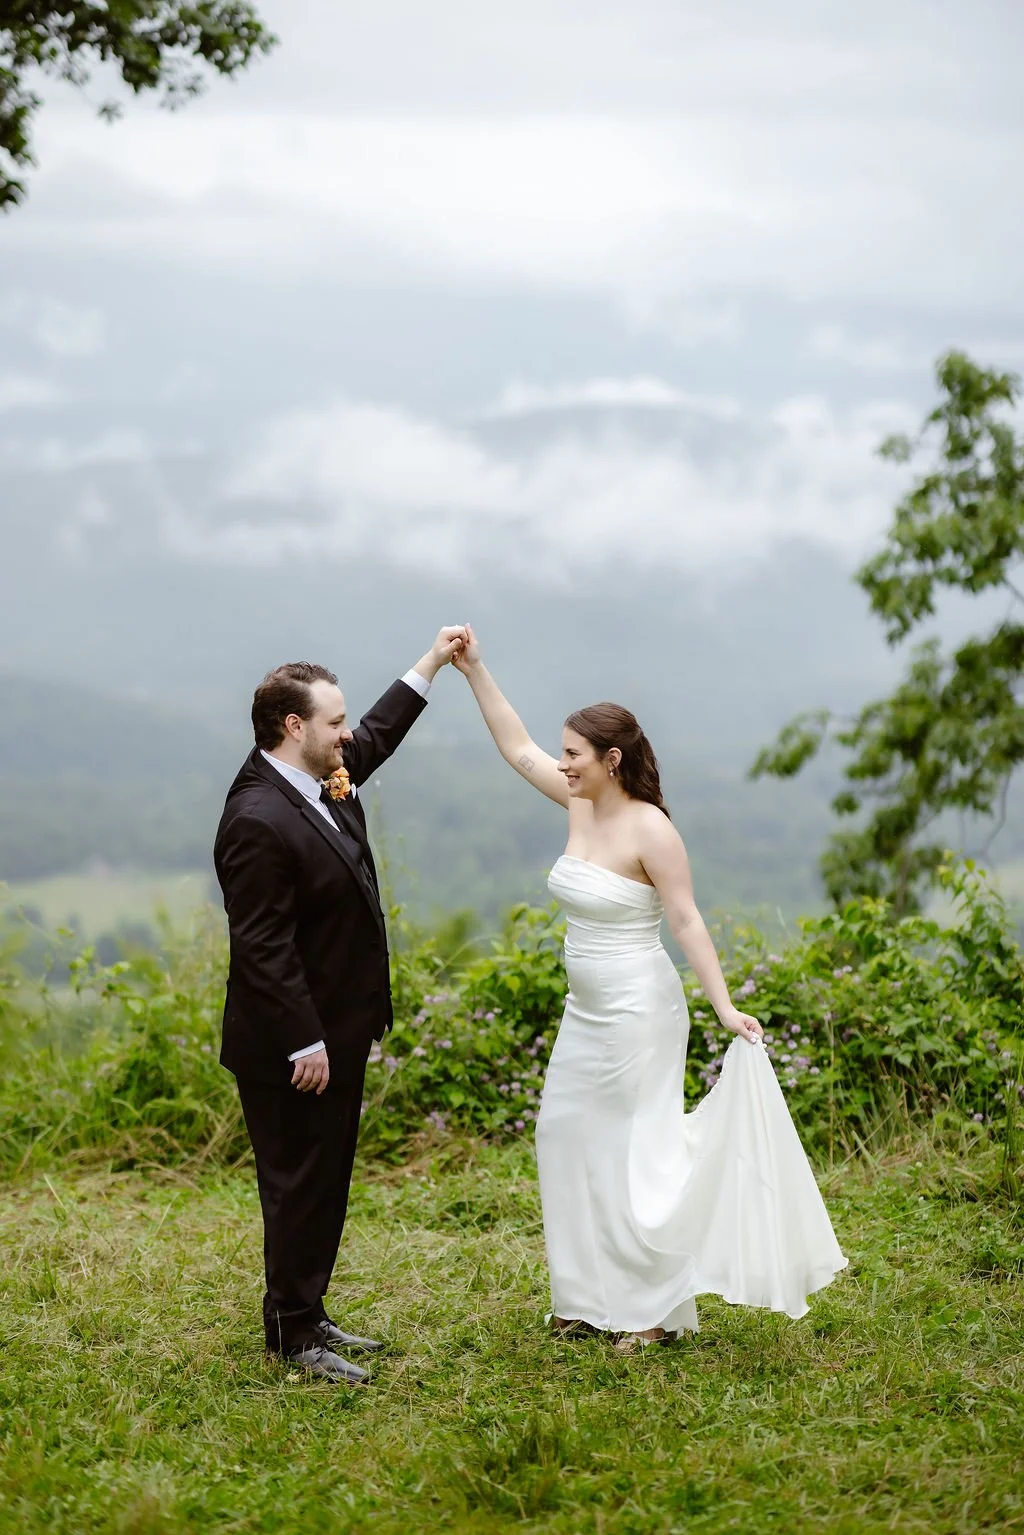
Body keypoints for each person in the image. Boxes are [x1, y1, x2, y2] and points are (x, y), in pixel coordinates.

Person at [453, 626, 847, 1349]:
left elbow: (687, 919)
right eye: (562, 754)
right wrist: (474, 669)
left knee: (637, 1157)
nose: (562, 763)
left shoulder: (651, 828)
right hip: (586, 1012)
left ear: (610, 759)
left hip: (641, 1013)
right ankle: (583, 1295)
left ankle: (649, 1311)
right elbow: (516, 748)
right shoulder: (579, 802)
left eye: (573, 754)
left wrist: (723, 1004)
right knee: (563, 1136)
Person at [214, 628, 467, 1384]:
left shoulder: (319, 776)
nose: (347, 733)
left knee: (325, 1178)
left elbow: (379, 733)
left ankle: (308, 1309)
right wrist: (303, 1041)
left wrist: (431, 664)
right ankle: (291, 1336)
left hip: (339, 1031)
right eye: (334, 721)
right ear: (294, 728)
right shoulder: (257, 818)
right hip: (294, 1048)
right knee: (296, 1184)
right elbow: (263, 945)